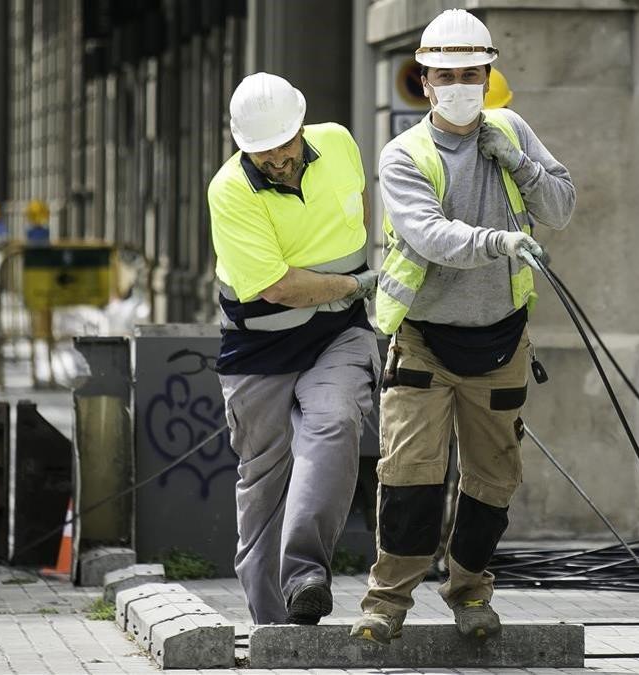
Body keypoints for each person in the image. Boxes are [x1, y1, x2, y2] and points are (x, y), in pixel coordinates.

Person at [353, 9, 576, 644]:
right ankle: (387, 603)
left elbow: (561, 206)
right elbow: (429, 235)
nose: (458, 83)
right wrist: (500, 240)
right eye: (444, 74)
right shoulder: (405, 154)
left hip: (501, 342)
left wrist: (523, 166)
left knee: (493, 480)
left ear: (488, 74)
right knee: (409, 476)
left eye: (470, 73)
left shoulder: (512, 131)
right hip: (425, 342)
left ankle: (471, 592)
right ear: (424, 81)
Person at [207, 72, 380, 625]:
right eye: (262, 153)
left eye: (284, 145)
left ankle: (305, 575)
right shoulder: (230, 189)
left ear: (301, 127)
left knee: (334, 424)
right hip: (259, 345)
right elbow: (278, 287)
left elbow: (359, 204)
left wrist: (352, 279)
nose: (278, 161)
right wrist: (354, 284)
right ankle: (271, 626)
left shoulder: (340, 142)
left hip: (338, 335)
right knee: (263, 481)